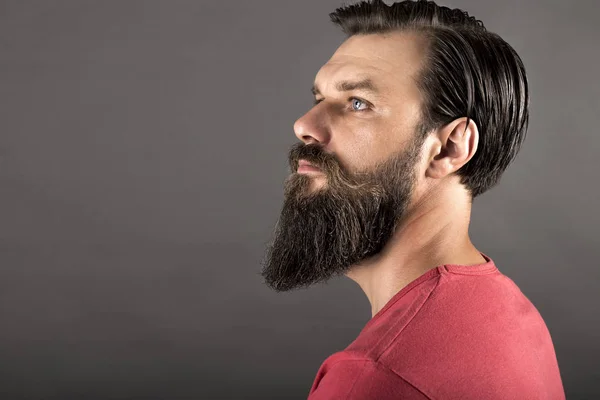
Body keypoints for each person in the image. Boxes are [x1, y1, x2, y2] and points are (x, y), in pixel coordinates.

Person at [260, 0, 565, 398]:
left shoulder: (374, 378)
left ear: (449, 148)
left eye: (358, 103)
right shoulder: (511, 314)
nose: (304, 125)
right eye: (320, 99)